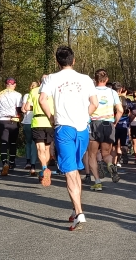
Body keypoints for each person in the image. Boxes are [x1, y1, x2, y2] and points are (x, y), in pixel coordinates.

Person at [38, 46, 98, 231]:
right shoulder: (86, 79)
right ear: (74, 60)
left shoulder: (51, 79)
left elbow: (42, 100)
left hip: (63, 127)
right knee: (75, 169)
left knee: (70, 171)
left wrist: (51, 117)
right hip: (82, 129)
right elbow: (94, 104)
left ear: (57, 62)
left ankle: (79, 213)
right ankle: (75, 209)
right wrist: (84, 116)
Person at [85, 70, 123, 191]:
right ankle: (110, 165)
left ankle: (97, 182)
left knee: (92, 155)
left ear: (95, 79)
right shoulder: (112, 92)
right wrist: (115, 122)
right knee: (106, 153)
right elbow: (120, 110)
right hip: (108, 124)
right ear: (107, 79)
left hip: (94, 124)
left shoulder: (90, 92)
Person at [23, 75, 55, 185]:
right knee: (47, 149)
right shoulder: (53, 91)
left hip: (37, 121)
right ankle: (44, 171)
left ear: (39, 82)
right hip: (50, 121)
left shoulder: (34, 91)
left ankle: (44, 168)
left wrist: (35, 106)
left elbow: (26, 108)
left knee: (39, 148)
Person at [0, 77, 23, 176]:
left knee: (3, 143)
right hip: (14, 120)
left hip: (2, 120)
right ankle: (11, 162)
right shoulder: (18, 95)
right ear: (14, 85)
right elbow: (19, 109)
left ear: (6, 84)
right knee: (13, 143)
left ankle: (4, 163)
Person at [20, 81, 41, 176]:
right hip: (35, 122)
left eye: (32, 85)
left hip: (27, 122)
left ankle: (28, 162)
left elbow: (23, 109)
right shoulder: (41, 95)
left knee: (28, 143)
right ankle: (33, 166)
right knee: (34, 144)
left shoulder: (27, 95)